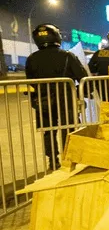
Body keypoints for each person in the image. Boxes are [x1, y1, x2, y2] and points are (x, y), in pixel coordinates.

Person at [26, 23, 88, 170]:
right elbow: (82, 77)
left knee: (49, 131)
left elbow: (31, 79)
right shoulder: (67, 56)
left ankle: (53, 161)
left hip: (43, 99)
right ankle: (70, 160)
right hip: (66, 98)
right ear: (56, 36)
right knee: (70, 129)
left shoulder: (31, 58)